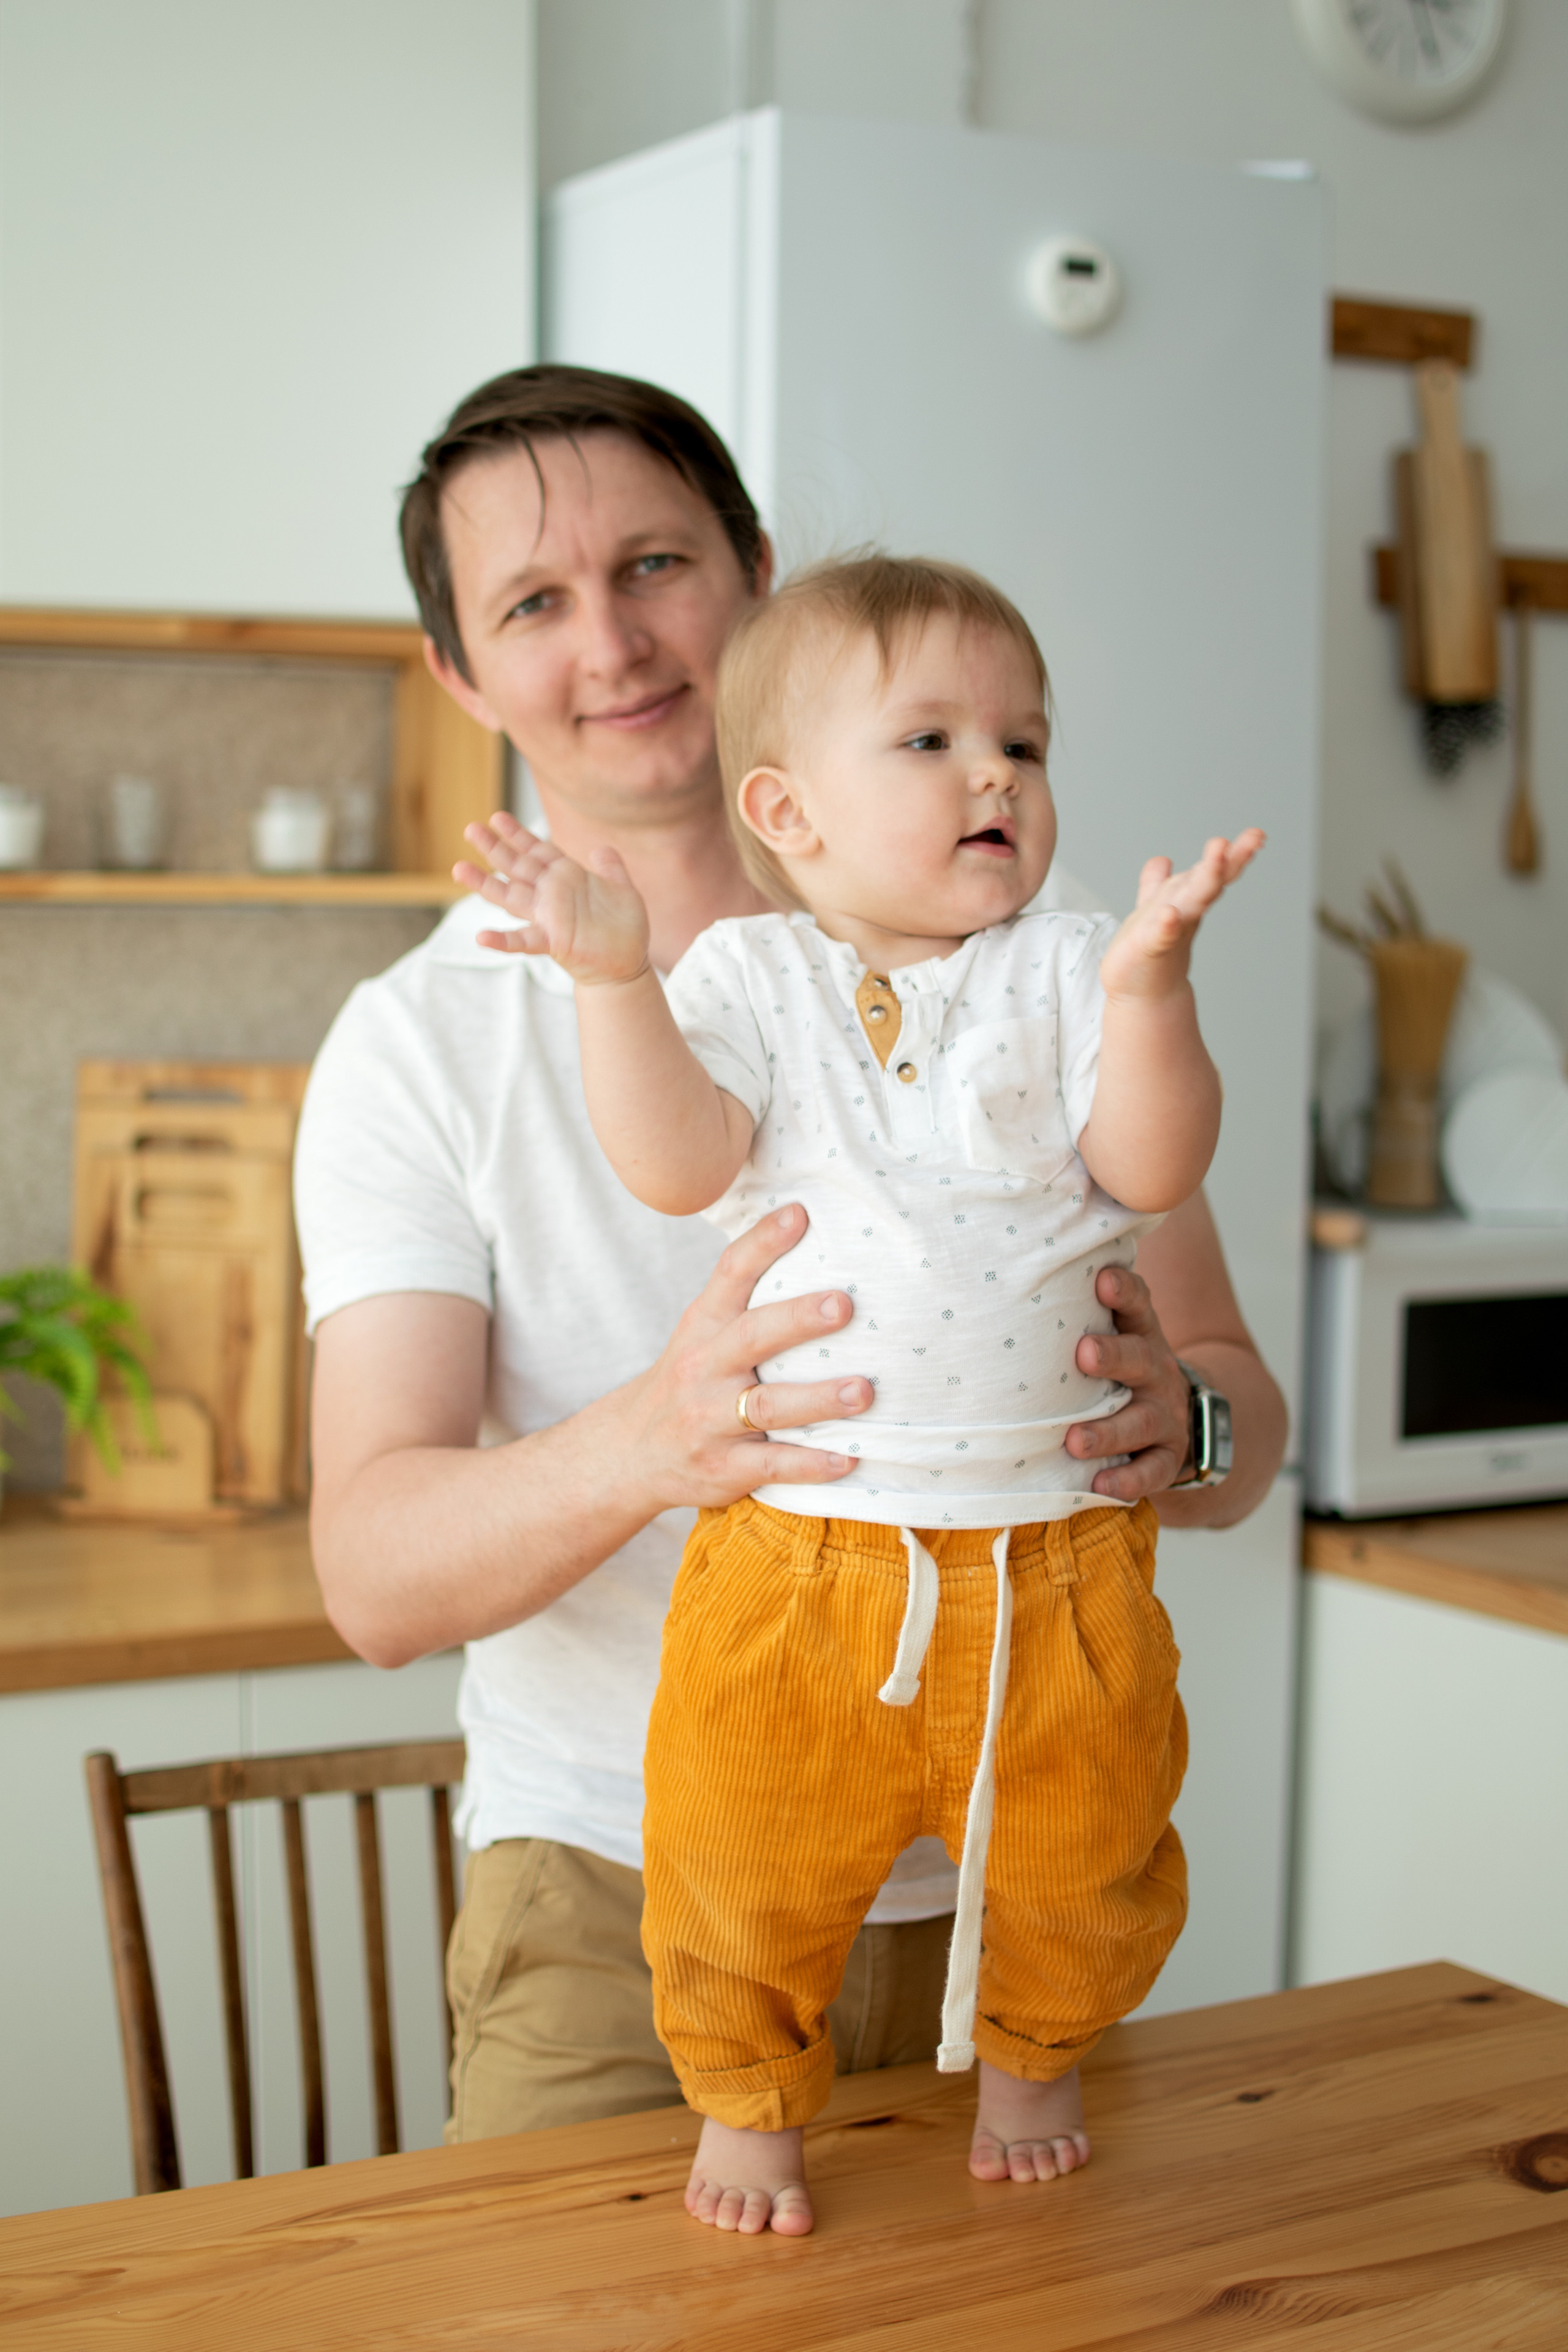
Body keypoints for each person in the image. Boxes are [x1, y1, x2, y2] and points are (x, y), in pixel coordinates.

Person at [295, 365, 1288, 2165]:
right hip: (622, 1892)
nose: (614, 639)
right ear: (463, 673)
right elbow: (370, 1576)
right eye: (532, 603)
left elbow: (1238, 1415)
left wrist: (1188, 1433)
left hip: (1010, 1883)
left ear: (754, 572)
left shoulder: (1030, 973)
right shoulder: (419, 1044)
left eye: (657, 562)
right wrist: (660, 1439)